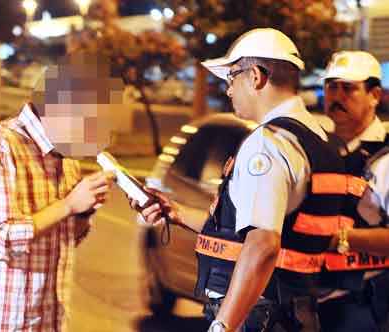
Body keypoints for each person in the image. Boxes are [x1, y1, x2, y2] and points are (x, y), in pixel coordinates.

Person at [132, 28, 349, 332]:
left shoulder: (267, 144)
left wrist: (223, 325)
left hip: (259, 317)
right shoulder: (319, 140)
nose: (229, 90)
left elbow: (262, 245)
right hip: (296, 312)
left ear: (256, 76)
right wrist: (176, 213)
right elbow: (250, 233)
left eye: (232, 77)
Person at [0, 54, 122, 332]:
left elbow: (63, 240)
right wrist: (68, 205)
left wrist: (84, 211)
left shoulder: (67, 157)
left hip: (47, 320)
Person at [318, 50, 389, 332]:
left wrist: (340, 239)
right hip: (316, 302)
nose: (337, 96)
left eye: (349, 88)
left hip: (368, 306)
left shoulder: (384, 158)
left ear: (374, 95)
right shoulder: (316, 147)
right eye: (331, 87)